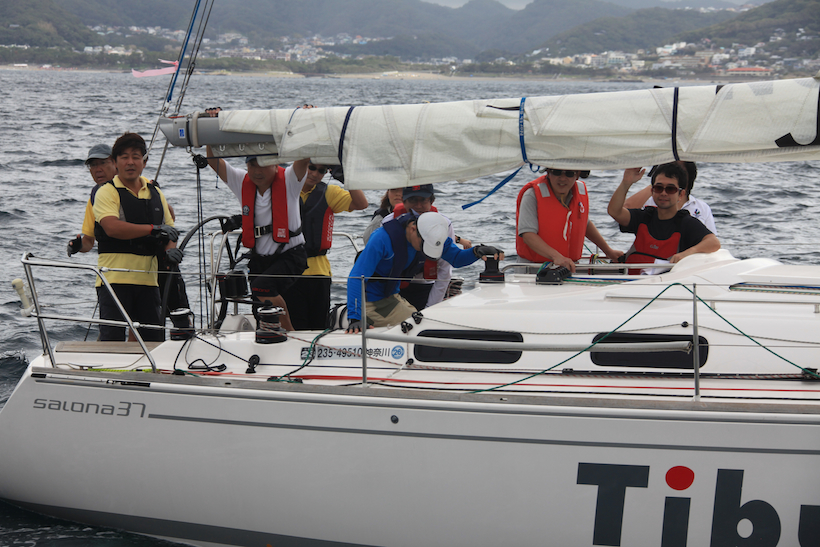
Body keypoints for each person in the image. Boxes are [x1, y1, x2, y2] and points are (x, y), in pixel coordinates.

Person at [204, 108, 309, 331]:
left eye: (263, 164)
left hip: (291, 255)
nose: (257, 170)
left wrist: (306, 121)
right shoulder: (242, 181)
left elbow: (303, 158)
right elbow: (213, 161)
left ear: (275, 164)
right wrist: (211, 126)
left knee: (262, 287)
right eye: (252, 164)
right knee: (259, 309)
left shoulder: (289, 181)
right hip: (260, 259)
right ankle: (272, 339)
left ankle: (290, 333)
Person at [346, 212, 503, 333]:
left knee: (424, 321)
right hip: (370, 301)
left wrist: (476, 251)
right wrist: (355, 318)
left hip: (391, 297)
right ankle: (349, 314)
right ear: (413, 229)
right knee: (419, 327)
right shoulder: (382, 239)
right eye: (424, 244)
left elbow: (456, 258)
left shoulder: (431, 234)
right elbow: (356, 277)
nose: (425, 249)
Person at [92, 133, 180, 342]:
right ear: (115, 163)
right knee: (112, 339)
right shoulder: (106, 192)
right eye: (124, 157)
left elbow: (170, 230)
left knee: (153, 340)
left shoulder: (156, 192)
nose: (130, 162)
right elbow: (112, 227)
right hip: (114, 279)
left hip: (149, 281)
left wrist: (171, 251)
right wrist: (152, 230)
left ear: (144, 162)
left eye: (136, 157)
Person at [280, 161, 368, 330]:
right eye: (311, 168)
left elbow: (361, 204)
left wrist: (347, 178)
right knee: (295, 326)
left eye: (321, 171)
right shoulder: (283, 190)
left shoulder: (330, 192)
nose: (315, 174)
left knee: (319, 327)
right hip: (287, 270)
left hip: (319, 273)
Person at [608, 163, 720, 270]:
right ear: (652, 191)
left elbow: (713, 242)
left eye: (670, 189)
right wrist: (626, 182)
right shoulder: (643, 217)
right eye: (659, 188)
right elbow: (614, 211)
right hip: (634, 279)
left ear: (680, 194)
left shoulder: (687, 223)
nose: (663, 193)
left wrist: (687, 253)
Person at [378, 185, 472, 311]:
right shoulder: (388, 223)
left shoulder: (444, 224)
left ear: (431, 201)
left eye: (423, 200)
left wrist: (431, 307)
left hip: (425, 286)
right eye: (413, 200)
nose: (418, 205)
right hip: (394, 287)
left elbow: (445, 269)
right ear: (404, 201)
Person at [516, 168, 622, 273]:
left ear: (577, 175)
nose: (562, 178)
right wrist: (556, 257)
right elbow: (528, 235)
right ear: (548, 173)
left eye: (569, 174)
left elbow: (584, 223)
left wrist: (608, 251)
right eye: (557, 172)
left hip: (568, 267)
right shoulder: (531, 195)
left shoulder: (579, 192)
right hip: (533, 269)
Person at [623, 161, 717, 234]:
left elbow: (711, 241)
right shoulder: (653, 200)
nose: (673, 172)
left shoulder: (702, 207)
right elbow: (624, 212)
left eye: (678, 170)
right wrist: (658, 183)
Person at [67, 144, 118, 256]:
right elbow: (89, 241)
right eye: (93, 165)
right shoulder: (95, 197)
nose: (98, 170)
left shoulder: (140, 185)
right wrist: (78, 246)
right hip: (108, 265)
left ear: (115, 163)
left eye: (103, 163)